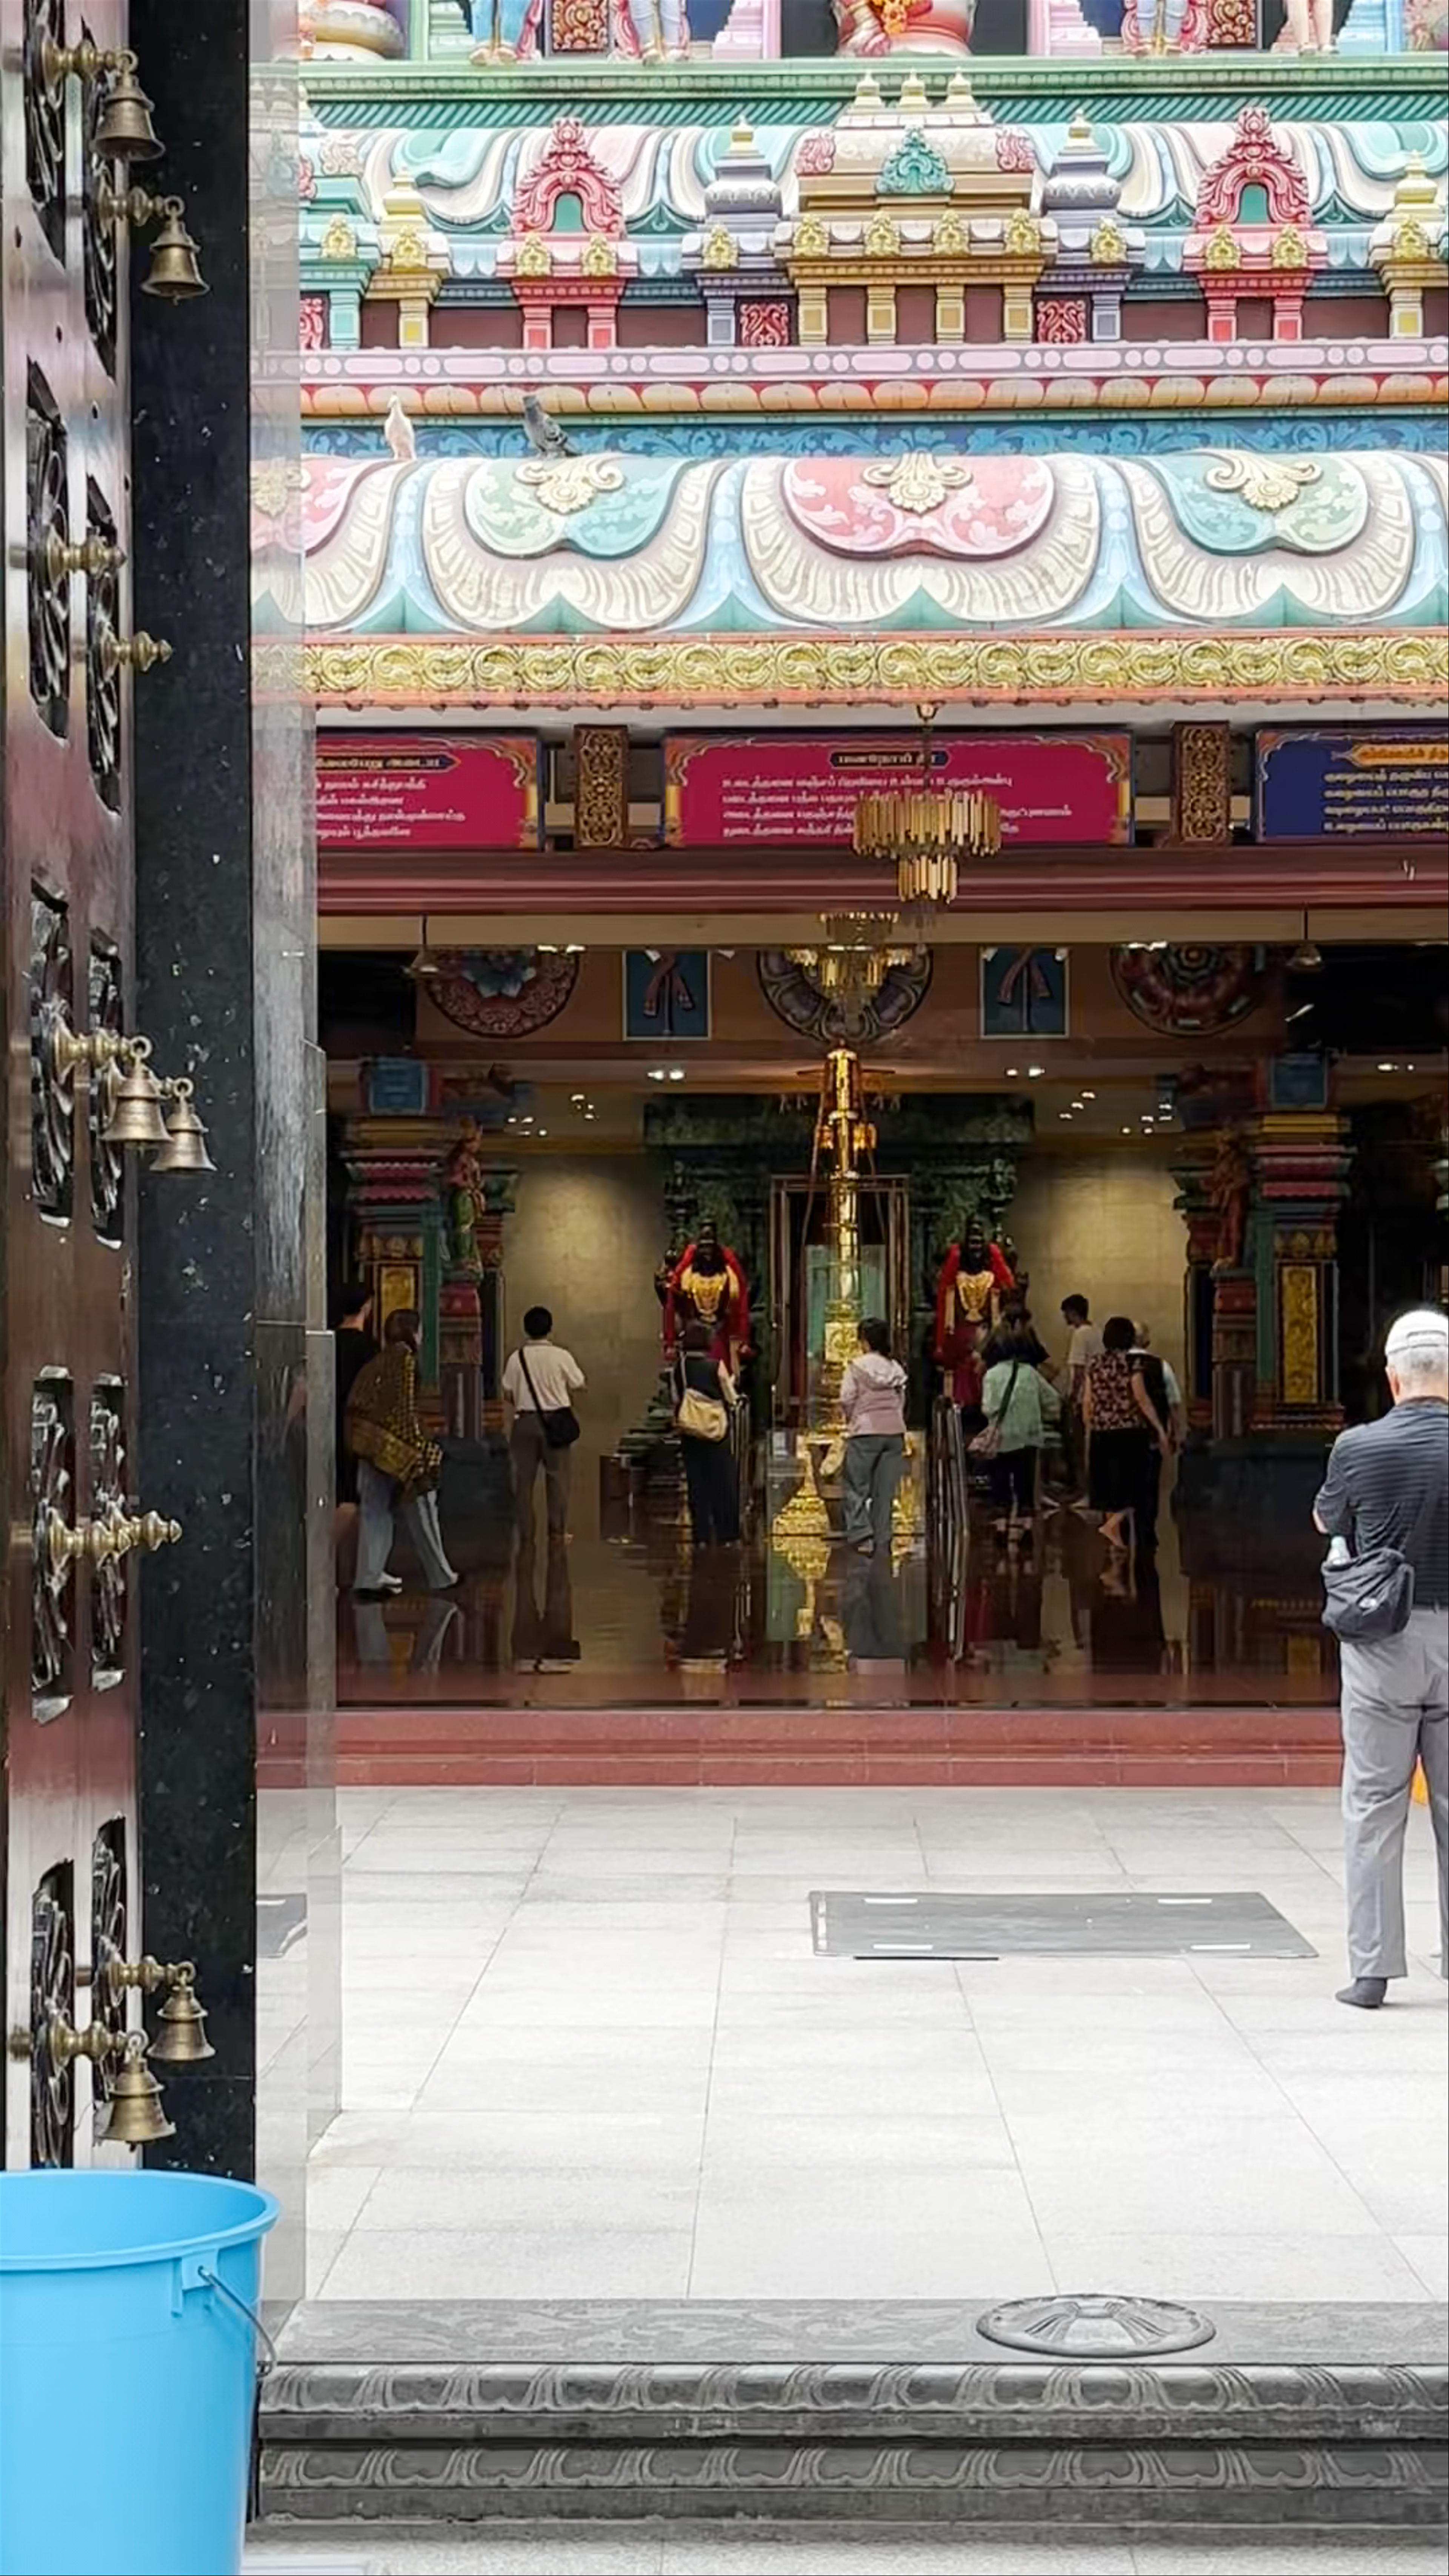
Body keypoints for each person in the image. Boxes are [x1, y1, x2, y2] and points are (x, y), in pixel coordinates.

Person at [1312, 1307, 1449, 2012]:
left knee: (1372, 1804)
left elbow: (1328, 1520)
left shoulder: (1358, 1446)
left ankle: (1372, 1971)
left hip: (1383, 1644)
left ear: (1394, 1378)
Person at [345, 1307, 458, 1595]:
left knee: (374, 1510)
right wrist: (419, 1448)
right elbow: (404, 1408)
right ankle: (441, 1575)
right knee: (423, 1504)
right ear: (413, 1332)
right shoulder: (404, 1359)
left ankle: (368, 1578)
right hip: (392, 1445)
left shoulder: (379, 1360)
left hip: (368, 1442)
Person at [332, 1280, 400, 1593]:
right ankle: (324, 1555)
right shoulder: (369, 1349)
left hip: (327, 1423)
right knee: (352, 1497)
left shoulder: (328, 1343)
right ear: (368, 1307)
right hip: (357, 1428)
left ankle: (345, 1567)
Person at [1082, 1315, 1171, 1551]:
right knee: (1134, 1487)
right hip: (1130, 1432)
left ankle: (1116, 1541)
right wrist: (1160, 1429)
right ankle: (1118, 1530)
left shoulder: (1095, 1363)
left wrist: (1090, 1427)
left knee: (1110, 1488)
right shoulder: (1132, 1364)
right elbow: (1141, 1398)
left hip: (1102, 1433)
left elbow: (1088, 1401)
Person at [503, 1305, 586, 1541]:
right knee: (558, 1478)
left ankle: (526, 1533)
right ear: (550, 1328)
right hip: (556, 1423)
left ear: (526, 1329)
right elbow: (579, 1383)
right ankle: (557, 1531)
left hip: (525, 1424)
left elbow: (507, 1392)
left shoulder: (515, 1358)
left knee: (523, 1482)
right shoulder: (561, 1356)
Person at [980, 1321, 1062, 1548]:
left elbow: (988, 1408)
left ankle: (1002, 1527)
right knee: (1025, 1483)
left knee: (1001, 1483)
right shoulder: (1031, 1374)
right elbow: (1053, 1401)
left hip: (1002, 1438)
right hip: (1029, 1437)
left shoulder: (992, 1376)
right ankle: (1026, 1528)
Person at [840, 1317, 908, 1557]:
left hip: (866, 1431)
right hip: (894, 1432)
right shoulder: (895, 1368)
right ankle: (883, 1537)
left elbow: (847, 1398)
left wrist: (853, 1420)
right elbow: (901, 1401)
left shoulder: (856, 1367)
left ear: (865, 1341)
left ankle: (862, 1536)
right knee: (885, 1489)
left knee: (856, 1485)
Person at [673, 1318, 741, 1548]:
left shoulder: (679, 1368)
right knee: (722, 1482)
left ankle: (700, 1534)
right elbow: (730, 1396)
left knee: (697, 1484)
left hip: (690, 1431)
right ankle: (727, 1534)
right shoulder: (715, 1366)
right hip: (715, 1431)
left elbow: (677, 1398)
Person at [1059, 1293, 1103, 1503]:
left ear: (1072, 1312)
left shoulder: (1080, 1335)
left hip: (1082, 1397)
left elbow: (1077, 1370)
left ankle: (1081, 1489)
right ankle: (1095, 1487)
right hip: (1098, 1395)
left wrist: (1073, 1397)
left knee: (1077, 1444)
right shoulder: (1097, 1332)